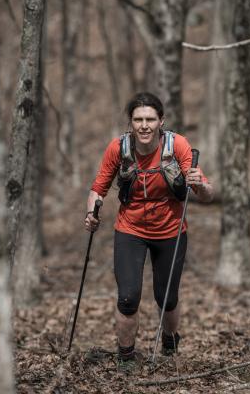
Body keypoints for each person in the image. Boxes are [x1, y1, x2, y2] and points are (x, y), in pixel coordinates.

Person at [85, 92, 213, 373]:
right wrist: (91, 213)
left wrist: (199, 184)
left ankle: (169, 343)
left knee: (167, 298)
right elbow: (99, 187)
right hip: (130, 229)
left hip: (171, 230)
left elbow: (206, 192)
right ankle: (126, 357)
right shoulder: (118, 148)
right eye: (138, 119)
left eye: (150, 119)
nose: (144, 125)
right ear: (130, 123)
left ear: (161, 121)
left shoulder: (177, 145)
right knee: (128, 298)